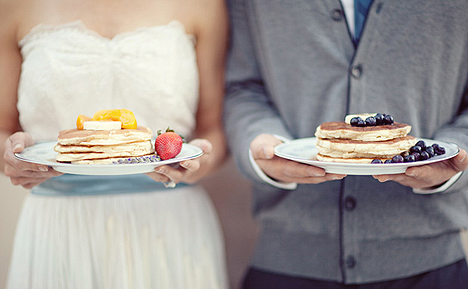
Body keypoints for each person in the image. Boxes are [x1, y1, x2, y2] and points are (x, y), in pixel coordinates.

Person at [224, 0, 468, 288]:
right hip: (287, 263)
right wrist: (263, 143)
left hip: (432, 267)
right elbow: (243, 88)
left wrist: (453, 151)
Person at [0, 0, 229, 288]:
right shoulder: (14, 6)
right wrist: (11, 156)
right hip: (59, 225)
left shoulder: (204, 6)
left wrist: (200, 162)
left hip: (168, 222)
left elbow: (214, 132)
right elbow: (3, 129)